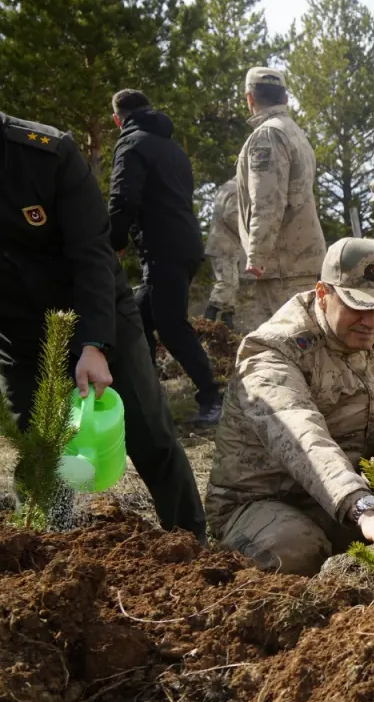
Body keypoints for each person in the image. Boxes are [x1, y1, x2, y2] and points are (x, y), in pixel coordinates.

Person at [0, 110, 206, 539]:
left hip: (97, 310)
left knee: (151, 435)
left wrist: (93, 344)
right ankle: (44, 552)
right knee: (38, 453)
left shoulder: (47, 154)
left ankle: (192, 541)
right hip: (17, 331)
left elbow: (93, 253)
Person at [206, 237, 374, 575]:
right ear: (324, 294)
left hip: (347, 495)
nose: (371, 322)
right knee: (294, 548)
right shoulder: (273, 353)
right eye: (358, 306)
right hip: (269, 502)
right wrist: (364, 509)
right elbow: (304, 440)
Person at [107, 89, 222, 424]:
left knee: (171, 325)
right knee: (138, 318)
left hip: (163, 249)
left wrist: (114, 240)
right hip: (184, 245)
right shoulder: (172, 148)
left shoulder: (130, 144)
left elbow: (122, 197)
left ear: (118, 118)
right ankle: (147, 395)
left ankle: (212, 398)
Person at [236, 67, 326, 331]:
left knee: (289, 342)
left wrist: (257, 254)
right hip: (299, 258)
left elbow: (268, 200)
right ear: (285, 99)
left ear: (250, 98)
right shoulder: (294, 132)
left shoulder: (268, 135)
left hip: (283, 263)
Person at [203, 179, 246, 329]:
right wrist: (248, 233)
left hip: (223, 243)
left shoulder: (228, 185)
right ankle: (207, 320)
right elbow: (231, 215)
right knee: (226, 282)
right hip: (225, 244)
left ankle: (227, 324)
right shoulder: (237, 188)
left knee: (232, 283)